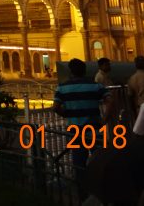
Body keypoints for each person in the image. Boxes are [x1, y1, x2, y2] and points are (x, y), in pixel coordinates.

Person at [54, 58, 114, 196]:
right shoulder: (95, 86)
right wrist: (104, 120)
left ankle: (83, 193)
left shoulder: (62, 87)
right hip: (94, 129)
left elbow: (56, 107)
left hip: (75, 130)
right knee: (100, 160)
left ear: (71, 71)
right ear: (85, 70)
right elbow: (110, 102)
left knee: (79, 162)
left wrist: (67, 114)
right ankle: (102, 190)